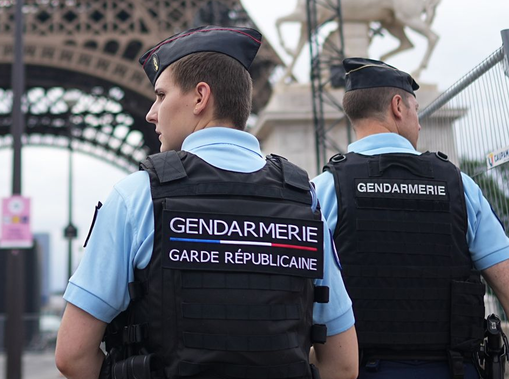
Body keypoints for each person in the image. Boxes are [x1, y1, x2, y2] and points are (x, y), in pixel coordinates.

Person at [56, 26, 359, 379]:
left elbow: (72, 355)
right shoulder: (305, 198)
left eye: (161, 95)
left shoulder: (137, 196)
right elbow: (343, 364)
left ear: (200, 97)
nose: (152, 113)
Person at [313, 57, 509, 379]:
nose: (420, 123)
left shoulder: (323, 190)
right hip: (453, 369)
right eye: (416, 110)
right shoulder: (460, 187)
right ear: (398, 106)